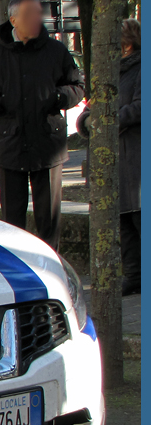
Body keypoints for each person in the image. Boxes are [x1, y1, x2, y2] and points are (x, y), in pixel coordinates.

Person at [0, 0, 85, 251]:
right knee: (12, 223)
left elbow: (77, 86)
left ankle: (50, 268)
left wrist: (57, 96)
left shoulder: (56, 51)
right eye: (29, 15)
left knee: (49, 222)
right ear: (13, 20)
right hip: (10, 146)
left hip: (47, 147)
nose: (36, 20)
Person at [78, 18, 140, 295]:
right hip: (112, 157)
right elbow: (89, 108)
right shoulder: (109, 72)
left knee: (138, 215)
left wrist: (107, 121)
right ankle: (134, 275)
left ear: (126, 43)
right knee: (122, 219)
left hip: (136, 153)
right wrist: (88, 121)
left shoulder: (140, 69)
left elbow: (139, 107)